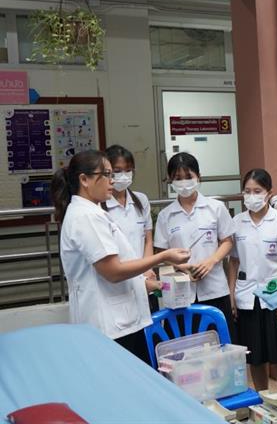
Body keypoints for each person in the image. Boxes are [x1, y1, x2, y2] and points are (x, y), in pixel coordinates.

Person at [52, 150, 190, 363]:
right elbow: (113, 272)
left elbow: (112, 268)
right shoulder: (86, 216)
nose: (112, 180)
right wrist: (163, 257)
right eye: (107, 174)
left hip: (120, 320)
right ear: (84, 180)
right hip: (110, 326)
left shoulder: (92, 212)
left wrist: (149, 283)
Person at [229, 168, 277, 391]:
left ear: (269, 192)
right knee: (254, 356)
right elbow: (234, 262)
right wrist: (231, 295)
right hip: (246, 296)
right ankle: (262, 399)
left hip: (275, 294)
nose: (251, 195)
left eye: (257, 190)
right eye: (247, 191)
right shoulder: (237, 222)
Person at [154, 152, 236, 333]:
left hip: (214, 287)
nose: (183, 182)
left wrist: (211, 261)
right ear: (170, 180)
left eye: (188, 177)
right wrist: (182, 267)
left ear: (199, 177)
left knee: (219, 343)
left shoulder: (215, 208)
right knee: (185, 345)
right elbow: (160, 251)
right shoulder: (165, 215)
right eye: (178, 178)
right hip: (180, 290)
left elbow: (227, 241)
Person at [102, 144, 162, 312]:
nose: (123, 175)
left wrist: (147, 268)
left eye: (128, 170)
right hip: (119, 283)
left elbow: (148, 240)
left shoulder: (141, 200)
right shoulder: (100, 207)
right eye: (117, 170)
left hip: (146, 279)